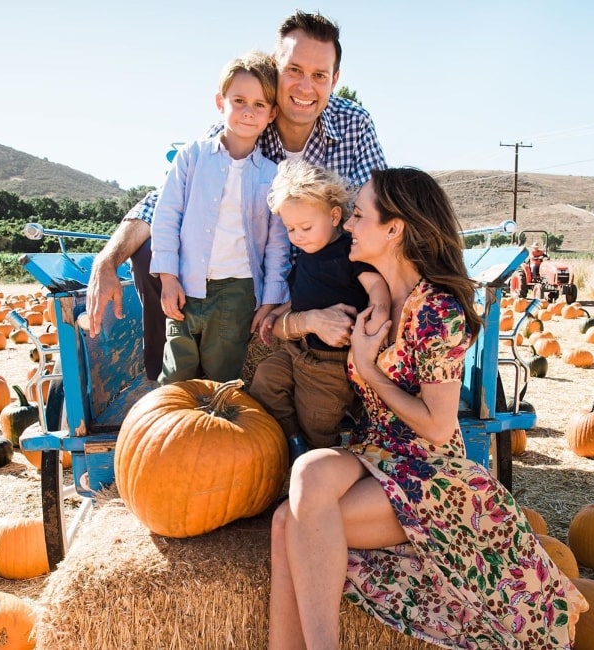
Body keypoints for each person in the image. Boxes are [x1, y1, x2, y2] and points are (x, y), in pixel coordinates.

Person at [268, 168, 588, 649]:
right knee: (308, 474)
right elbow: (286, 324)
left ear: (394, 229)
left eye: (358, 215)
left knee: (289, 522)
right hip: (378, 453)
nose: (348, 226)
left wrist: (367, 368)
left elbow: (439, 428)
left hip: (430, 472)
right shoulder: (368, 292)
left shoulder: (437, 309)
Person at [86, 10, 386, 380]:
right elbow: (162, 202)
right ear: (275, 67)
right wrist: (107, 260)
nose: (306, 87)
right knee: (149, 252)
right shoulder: (245, 119)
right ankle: (161, 387)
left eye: (319, 76)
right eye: (294, 70)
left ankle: (353, 371)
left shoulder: (354, 123)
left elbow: (379, 208)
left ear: (334, 79)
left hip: (326, 268)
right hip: (253, 272)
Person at [149, 51, 289, 384]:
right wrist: (168, 278)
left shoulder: (272, 175)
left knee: (225, 373)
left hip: (236, 291)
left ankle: (222, 433)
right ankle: (172, 429)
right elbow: (167, 215)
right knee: (176, 373)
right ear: (220, 102)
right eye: (239, 100)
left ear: (271, 114)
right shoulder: (192, 157)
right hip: (186, 283)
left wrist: (270, 300)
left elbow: (276, 246)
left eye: (259, 105)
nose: (247, 111)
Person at [248, 160, 389, 463]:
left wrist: (378, 316)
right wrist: (278, 313)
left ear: (335, 215)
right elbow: (302, 298)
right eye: (290, 229)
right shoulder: (306, 256)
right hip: (296, 349)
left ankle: (321, 459)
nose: (297, 236)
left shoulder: (349, 253)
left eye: (306, 227)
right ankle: (292, 439)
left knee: (318, 417)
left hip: (330, 361)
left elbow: (376, 285)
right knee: (265, 381)